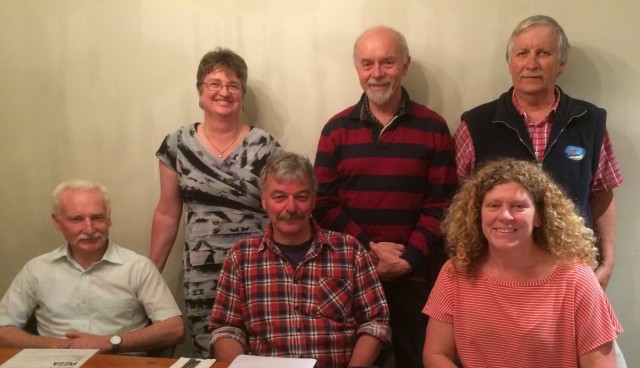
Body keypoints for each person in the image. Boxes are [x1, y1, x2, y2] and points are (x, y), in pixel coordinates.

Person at [313, 25, 457, 367]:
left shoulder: (433, 129)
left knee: (416, 359)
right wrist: (368, 252)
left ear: (405, 65)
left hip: (415, 277)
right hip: (348, 276)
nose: (376, 73)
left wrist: (407, 259)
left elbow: (442, 204)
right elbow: (324, 203)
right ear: (357, 69)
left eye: (387, 62)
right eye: (367, 64)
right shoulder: (335, 130)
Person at [454, 15, 623, 291]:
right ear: (510, 64)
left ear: (561, 63)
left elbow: (602, 194)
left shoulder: (590, 122)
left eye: (543, 53)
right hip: (498, 275)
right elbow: (463, 205)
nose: (531, 64)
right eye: (522, 53)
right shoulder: (475, 126)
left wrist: (608, 260)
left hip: (572, 273)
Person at [422, 158, 623, 368]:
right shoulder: (455, 272)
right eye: (493, 205)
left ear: (539, 217)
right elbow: (437, 354)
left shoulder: (576, 279)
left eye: (518, 206)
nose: (505, 216)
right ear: (477, 213)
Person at [149, 48, 282, 357]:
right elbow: (168, 213)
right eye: (214, 83)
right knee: (211, 356)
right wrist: (150, 274)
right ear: (200, 93)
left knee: (260, 353)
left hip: (257, 272)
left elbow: (281, 211)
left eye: (233, 85)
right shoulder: (177, 144)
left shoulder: (266, 146)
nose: (224, 92)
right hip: (202, 276)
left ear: (243, 95)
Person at [210, 152, 391, 367]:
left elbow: (376, 323)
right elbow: (226, 329)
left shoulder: (350, 251)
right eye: (279, 197)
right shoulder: (240, 258)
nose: (291, 208)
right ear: (264, 200)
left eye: (301, 197)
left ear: (314, 200)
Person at [0, 180, 184, 354]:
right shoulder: (36, 270)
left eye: (97, 218)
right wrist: (53, 345)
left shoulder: (138, 267)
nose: (89, 229)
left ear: (109, 219)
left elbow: (174, 328)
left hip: (118, 362)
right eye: (76, 219)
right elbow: (3, 329)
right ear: (57, 221)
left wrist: (109, 341)